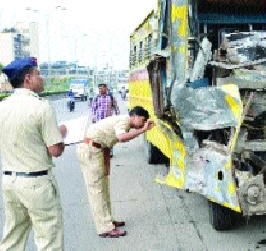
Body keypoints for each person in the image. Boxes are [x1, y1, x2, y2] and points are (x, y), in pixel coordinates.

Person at [0, 57, 66, 251]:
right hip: (37, 183)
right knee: (48, 239)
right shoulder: (41, 107)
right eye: (38, 73)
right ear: (28, 78)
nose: (41, 77)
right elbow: (55, 150)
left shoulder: (2, 107)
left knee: (13, 237)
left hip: (10, 182)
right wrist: (61, 134)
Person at [76, 106, 154, 238]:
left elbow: (108, 143)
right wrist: (143, 130)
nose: (144, 122)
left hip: (98, 150)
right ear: (135, 116)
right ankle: (105, 228)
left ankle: (108, 221)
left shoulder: (125, 123)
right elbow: (122, 137)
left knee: (104, 189)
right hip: (90, 150)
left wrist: (106, 166)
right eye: (143, 119)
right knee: (97, 191)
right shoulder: (124, 120)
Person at [91, 83, 120, 157]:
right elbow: (93, 109)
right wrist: (93, 118)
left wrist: (118, 118)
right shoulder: (96, 98)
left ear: (106, 89)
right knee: (100, 136)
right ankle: (102, 151)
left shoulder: (111, 97)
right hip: (99, 121)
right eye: (99, 88)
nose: (100, 90)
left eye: (102, 88)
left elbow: (116, 107)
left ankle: (110, 151)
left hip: (109, 121)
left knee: (109, 136)